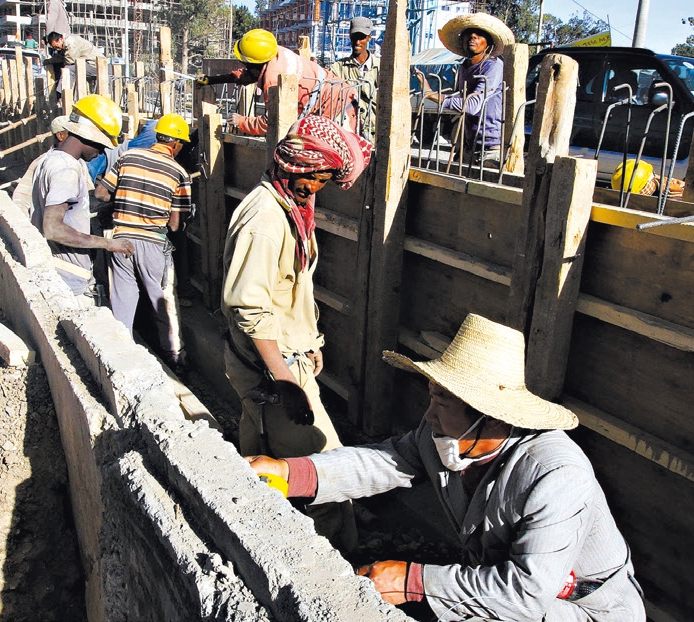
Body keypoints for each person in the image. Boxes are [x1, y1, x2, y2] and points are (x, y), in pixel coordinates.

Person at [249, 313, 645, 622]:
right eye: (432, 397)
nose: (429, 415)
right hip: (514, 591)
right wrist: (290, 473)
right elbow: (383, 462)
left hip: (584, 610)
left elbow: (526, 593)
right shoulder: (444, 437)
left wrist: (412, 581)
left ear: (492, 418)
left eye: (442, 402)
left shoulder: (555, 475)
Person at [223, 115, 372, 550]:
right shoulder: (266, 220)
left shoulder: (287, 207)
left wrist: (312, 341)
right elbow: (249, 306)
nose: (318, 189)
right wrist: (287, 380)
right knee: (325, 468)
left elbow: (290, 288)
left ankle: (253, 530)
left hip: (279, 358)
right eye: (318, 179)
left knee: (259, 452)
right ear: (299, 169)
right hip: (273, 368)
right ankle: (339, 562)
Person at [94, 113, 193, 370]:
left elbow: (102, 193)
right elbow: (174, 224)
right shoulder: (179, 173)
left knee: (123, 299)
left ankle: (120, 358)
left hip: (121, 240)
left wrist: (126, 201)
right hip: (153, 243)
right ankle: (175, 359)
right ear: (176, 144)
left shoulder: (127, 157)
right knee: (162, 301)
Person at [30, 94, 134, 304]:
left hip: (59, 271)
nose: (102, 151)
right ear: (88, 135)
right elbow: (53, 228)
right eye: (100, 144)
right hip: (67, 279)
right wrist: (108, 243)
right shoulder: (66, 169)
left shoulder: (50, 159)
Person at [195, 29, 358, 136]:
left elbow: (273, 122)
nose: (243, 65)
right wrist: (212, 80)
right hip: (341, 97)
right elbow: (249, 74)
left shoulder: (273, 80)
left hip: (336, 111)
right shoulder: (274, 52)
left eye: (245, 62)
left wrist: (242, 121)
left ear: (253, 62)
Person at [415, 13, 511, 164]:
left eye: (479, 34)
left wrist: (432, 95)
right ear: (462, 40)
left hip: (491, 146)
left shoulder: (493, 66)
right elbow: (460, 96)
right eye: (468, 34)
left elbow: (472, 105)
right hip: (469, 143)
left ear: (488, 42)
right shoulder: (464, 67)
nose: (473, 36)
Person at [329, 16, 380, 141]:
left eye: (361, 37)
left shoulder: (381, 67)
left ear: (369, 37)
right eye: (354, 37)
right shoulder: (338, 68)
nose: (357, 42)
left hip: (375, 133)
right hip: (347, 133)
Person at [12, 115, 71, 216]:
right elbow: (20, 199)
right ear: (60, 136)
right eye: (73, 134)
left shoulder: (79, 162)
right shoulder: (42, 162)